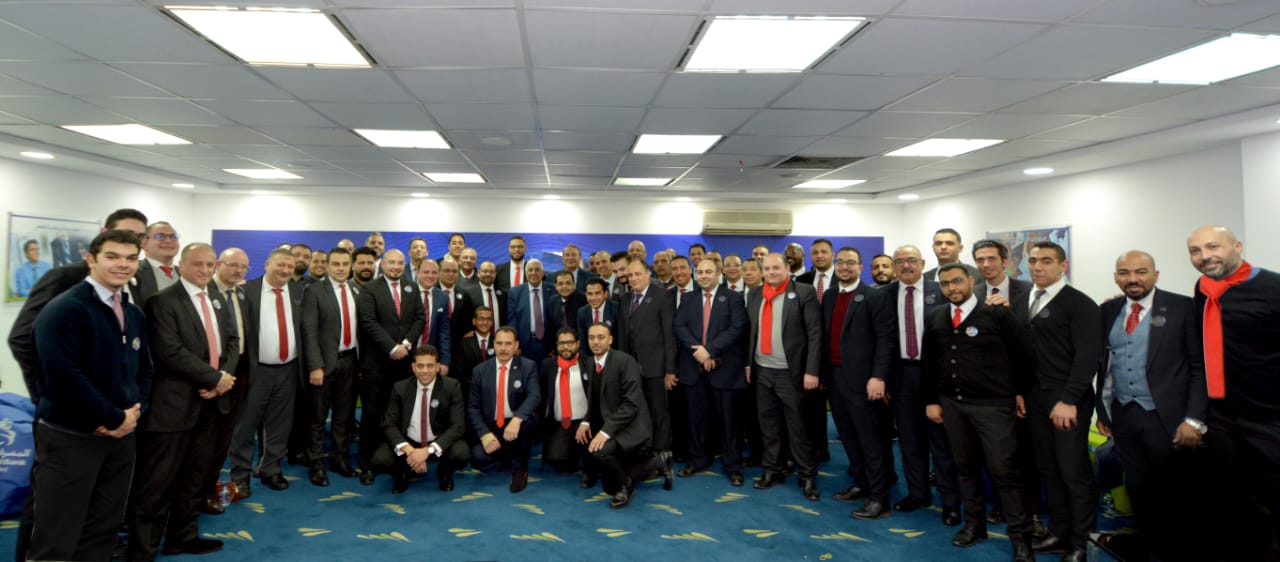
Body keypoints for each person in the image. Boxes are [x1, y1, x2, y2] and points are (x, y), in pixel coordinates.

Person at [28, 229, 152, 562]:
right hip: (72, 437)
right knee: (57, 535)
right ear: (91, 259)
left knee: (103, 529)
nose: (122, 264)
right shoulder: (65, 309)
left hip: (121, 437)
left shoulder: (132, 312)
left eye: (131, 258)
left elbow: (144, 370)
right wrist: (112, 417)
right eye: (112, 256)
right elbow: (64, 378)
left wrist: (134, 413)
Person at [128, 243, 238, 560]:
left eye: (209, 264)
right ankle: (142, 550)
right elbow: (169, 351)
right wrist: (213, 378)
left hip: (211, 403)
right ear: (181, 265)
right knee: (158, 482)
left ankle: (182, 537)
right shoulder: (162, 302)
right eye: (197, 264)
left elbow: (232, 341)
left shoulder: (215, 297)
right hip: (174, 406)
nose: (204, 270)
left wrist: (222, 379)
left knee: (195, 476)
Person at [1094, 250, 1206, 560]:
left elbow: (1199, 367)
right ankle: (1149, 542)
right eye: (1125, 272)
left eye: (1141, 272)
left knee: (1173, 486)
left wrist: (1194, 419)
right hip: (1124, 413)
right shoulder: (1107, 310)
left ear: (1156, 275)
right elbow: (1105, 365)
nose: (1133, 279)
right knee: (1138, 484)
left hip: (1166, 415)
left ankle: (1179, 550)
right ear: (1116, 277)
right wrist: (1103, 410)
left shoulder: (1183, 307)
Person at [923, 263, 1036, 562]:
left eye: (957, 281)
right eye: (946, 283)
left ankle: (1021, 537)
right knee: (965, 468)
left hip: (993, 407)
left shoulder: (996, 314)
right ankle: (975, 525)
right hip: (953, 405)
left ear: (971, 281)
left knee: (1005, 471)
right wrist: (932, 400)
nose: (952, 288)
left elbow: (1024, 355)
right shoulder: (936, 317)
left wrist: (1019, 391)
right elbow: (929, 364)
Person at [1187, 225, 1280, 561]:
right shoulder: (1204, 289)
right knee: (1235, 500)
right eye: (1195, 251)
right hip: (1224, 417)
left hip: (1271, 417)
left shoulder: (1273, 287)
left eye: (1213, 246)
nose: (1204, 256)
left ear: (1237, 246)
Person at [1011, 241, 1100, 562]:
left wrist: (1069, 399)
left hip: (1067, 400)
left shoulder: (1080, 304)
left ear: (1063, 266)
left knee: (1072, 470)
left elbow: (1088, 356)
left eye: (1046, 261)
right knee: (1048, 468)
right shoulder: (1022, 301)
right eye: (1033, 260)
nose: (1037, 267)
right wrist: (1019, 391)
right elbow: (1019, 351)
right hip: (1034, 398)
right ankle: (1059, 531)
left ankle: (1081, 541)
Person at [883, 245, 961, 524]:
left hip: (936, 376)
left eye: (911, 260)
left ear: (923, 263)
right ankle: (918, 494)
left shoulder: (941, 291)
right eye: (900, 261)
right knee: (909, 440)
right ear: (894, 266)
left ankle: (951, 503)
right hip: (901, 375)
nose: (906, 266)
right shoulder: (884, 295)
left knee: (941, 443)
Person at [819, 247, 894, 516]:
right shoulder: (829, 296)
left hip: (864, 381)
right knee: (849, 437)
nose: (844, 267)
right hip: (835, 378)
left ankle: (879, 498)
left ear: (860, 267)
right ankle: (861, 484)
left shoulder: (874, 296)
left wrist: (879, 376)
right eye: (840, 262)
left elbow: (886, 339)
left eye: (850, 262)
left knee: (870, 441)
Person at [228, 248, 306, 496]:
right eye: (280, 265)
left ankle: (270, 469)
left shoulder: (299, 292)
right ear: (266, 264)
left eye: (289, 267)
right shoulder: (245, 291)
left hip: (288, 369)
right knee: (245, 426)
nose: (285, 270)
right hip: (255, 371)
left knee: (279, 424)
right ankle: (240, 476)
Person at [749, 253, 821, 501]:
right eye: (766, 268)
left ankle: (807, 475)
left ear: (787, 268)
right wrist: (748, 365)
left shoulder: (803, 292)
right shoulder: (755, 294)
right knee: (768, 425)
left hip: (792, 373)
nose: (771, 272)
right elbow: (751, 333)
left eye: (776, 267)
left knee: (798, 427)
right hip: (762, 370)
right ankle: (773, 470)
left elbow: (815, 333)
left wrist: (812, 370)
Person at [673, 258, 748, 485]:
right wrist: (698, 352)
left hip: (725, 370)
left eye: (708, 272)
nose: (704, 276)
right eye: (700, 272)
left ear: (718, 274)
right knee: (696, 419)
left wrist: (710, 351)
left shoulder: (733, 298)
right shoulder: (688, 298)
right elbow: (679, 326)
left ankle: (733, 465)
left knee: (729, 422)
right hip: (694, 369)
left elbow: (738, 328)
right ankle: (697, 460)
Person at [356, 249, 426, 485]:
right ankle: (368, 464)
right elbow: (368, 321)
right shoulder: (369, 289)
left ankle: (401, 461)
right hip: (377, 365)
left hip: (405, 364)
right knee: (372, 415)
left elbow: (420, 318)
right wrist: (391, 347)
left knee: (401, 415)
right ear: (382, 264)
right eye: (391, 262)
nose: (396, 267)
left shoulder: (411, 287)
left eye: (400, 263)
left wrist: (407, 343)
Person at [579, 323, 668, 509]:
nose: (596, 342)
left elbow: (631, 404)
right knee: (608, 484)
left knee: (598, 451)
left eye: (601, 337)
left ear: (610, 340)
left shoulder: (625, 361)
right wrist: (586, 421)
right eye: (591, 337)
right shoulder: (589, 363)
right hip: (613, 423)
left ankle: (627, 486)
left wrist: (605, 432)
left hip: (632, 426)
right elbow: (594, 399)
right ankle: (659, 461)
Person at [371, 346, 469, 494]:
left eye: (430, 366)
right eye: (420, 366)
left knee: (461, 453)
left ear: (437, 367)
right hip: (409, 442)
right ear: (413, 367)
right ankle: (401, 474)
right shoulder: (400, 388)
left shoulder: (451, 386)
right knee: (380, 459)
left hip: (437, 441)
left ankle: (444, 473)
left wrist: (428, 451)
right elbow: (389, 424)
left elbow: (458, 426)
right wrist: (410, 451)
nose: (424, 370)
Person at [300, 247, 360, 486]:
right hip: (323, 365)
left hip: (350, 361)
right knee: (317, 418)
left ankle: (339, 459)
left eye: (345, 264)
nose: (341, 268)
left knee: (343, 416)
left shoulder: (356, 290)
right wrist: (315, 366)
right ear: (327, 265)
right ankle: (316, 464)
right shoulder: (314, 291)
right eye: (336, 264)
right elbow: (309, 331)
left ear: (351, 265)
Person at [616, 258, 677, 490]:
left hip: (656, 368)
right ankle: (643, 454)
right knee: (638, 412)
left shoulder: (662, 296)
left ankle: (661, 455)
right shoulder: (624, 299)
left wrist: (670, 370)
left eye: (638, 274)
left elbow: (669, 336)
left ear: (648, 274)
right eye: (630, 275)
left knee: (659, 413)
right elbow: (622, 335)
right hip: (631, 369)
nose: (634, 279)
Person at [467, 327, 541, 493]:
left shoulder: (528, 366)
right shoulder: (480, 370)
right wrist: (484, 435)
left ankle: (520, 470)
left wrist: (517, 418)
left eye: (508, 344)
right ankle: (506, 453)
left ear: (516, 346)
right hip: (493, 425)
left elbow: (534, 397)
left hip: (517, 424)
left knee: (529, 421)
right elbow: (473, 408)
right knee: (478, 458)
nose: (503, 348)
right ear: (493, 345)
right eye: (499, 343)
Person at [541, 328, 593, 481]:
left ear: (578, 344)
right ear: (556, 345)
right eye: (562, 343)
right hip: (561, 423)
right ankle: (573, 452)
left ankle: (583, 454)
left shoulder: (588, 364)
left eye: (570, 343)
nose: (566, 347)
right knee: (556, 459)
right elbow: (543, 394)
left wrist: (588, 421)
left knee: (596, 457)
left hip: (585, 423)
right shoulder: (548, 365)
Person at [507, 259, 552, 360]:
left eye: (537, 270)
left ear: (543, 273)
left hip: (547, 343)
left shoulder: (552, 290)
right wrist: (514, 342)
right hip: (523, 343)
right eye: (530, 270)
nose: (533, 273)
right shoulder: (515, 292)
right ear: (526, 273)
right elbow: (512, 320)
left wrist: (554, 343)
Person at [134, 221, 181, 305]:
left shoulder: (185, 274)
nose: (168, 241)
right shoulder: (134, 273)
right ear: (144, 244)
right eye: (160, 236)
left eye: (173, 237)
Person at [576, 278, 617, 346]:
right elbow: (583, 342)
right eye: (590, 294)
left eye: (597, 293)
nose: (593, 298)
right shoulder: (582, 312)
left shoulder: (616, 309)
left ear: (605, 293)